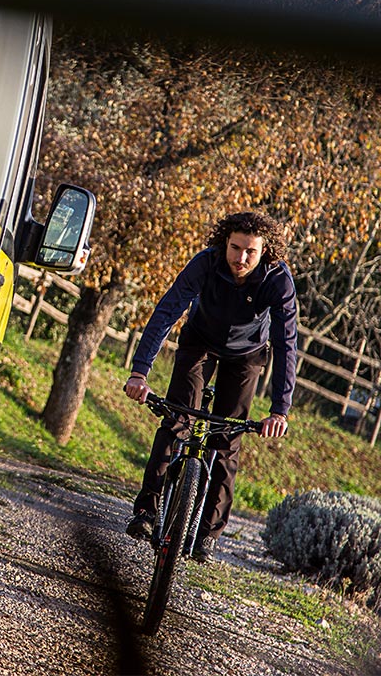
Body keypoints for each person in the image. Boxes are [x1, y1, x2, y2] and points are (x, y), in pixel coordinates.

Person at [124, 211, 296, 563]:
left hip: (246, 356)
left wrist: (280, 408)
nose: (241, 258)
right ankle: (146, 510)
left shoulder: (278, 280)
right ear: (224, 243)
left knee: (227, 440)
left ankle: (208, 534)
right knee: (176, 421)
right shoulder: (206, 263)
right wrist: (140, 372)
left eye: (251, 251)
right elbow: (167, 311)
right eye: (235, 248)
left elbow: (286, 342)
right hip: (199, 343)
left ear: (266, 251)